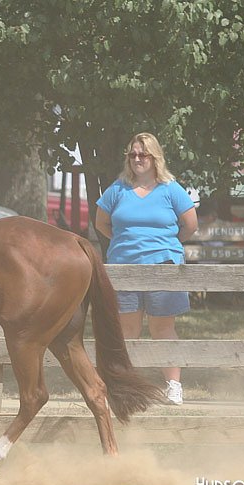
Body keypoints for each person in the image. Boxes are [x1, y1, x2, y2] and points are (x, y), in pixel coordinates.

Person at [95, 133, 198, 405]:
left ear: (155, 158)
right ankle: (126, 388)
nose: (138, 159)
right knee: (127, 330)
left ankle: (173, 386)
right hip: (124, 267)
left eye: (143, 154)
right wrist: (125, 243)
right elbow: (101, 224)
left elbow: (190, 225)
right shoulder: (118, 188)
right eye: (133, 154)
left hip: (163, 266)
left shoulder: (170, 188)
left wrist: (165, 245)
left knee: (163, 328)